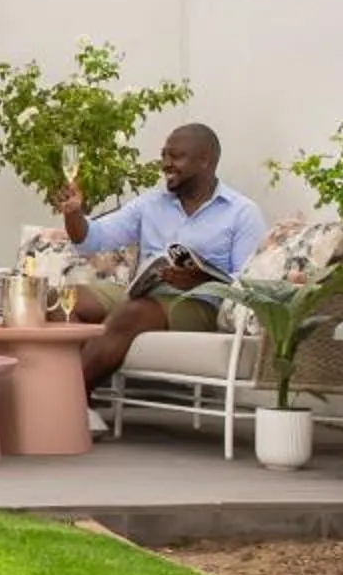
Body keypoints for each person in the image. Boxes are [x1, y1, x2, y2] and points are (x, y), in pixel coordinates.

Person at [52, 123, 265, 391]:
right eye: (164, 155)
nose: (165, 164)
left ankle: (64, 399)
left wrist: (200, 279)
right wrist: (73, 213)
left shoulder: (242, 213)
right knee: (61, 300)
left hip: (198, 304)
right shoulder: (150, 204)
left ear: (205, 160)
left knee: (133, 312)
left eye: (176, 156)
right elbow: (92, 239)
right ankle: (83, 401)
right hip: (142, 292)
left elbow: (248, 285)